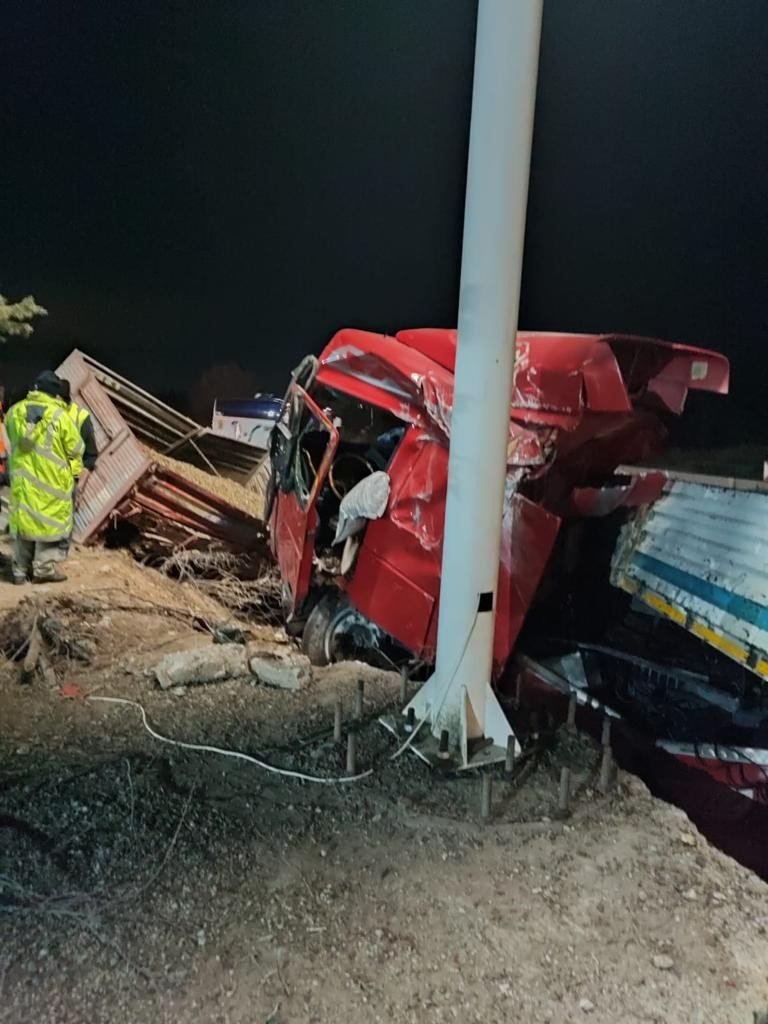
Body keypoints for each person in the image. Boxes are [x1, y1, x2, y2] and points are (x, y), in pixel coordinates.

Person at [5, 371, 84, 584]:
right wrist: (73, 474)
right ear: (54, 393)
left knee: (25, 525)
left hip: (22, 482)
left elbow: (12, 441)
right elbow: (76, 449)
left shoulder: (13, 412)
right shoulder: (60, 417)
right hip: (52, 484)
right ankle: (43, 570)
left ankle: (20, 572)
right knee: (48, 526)